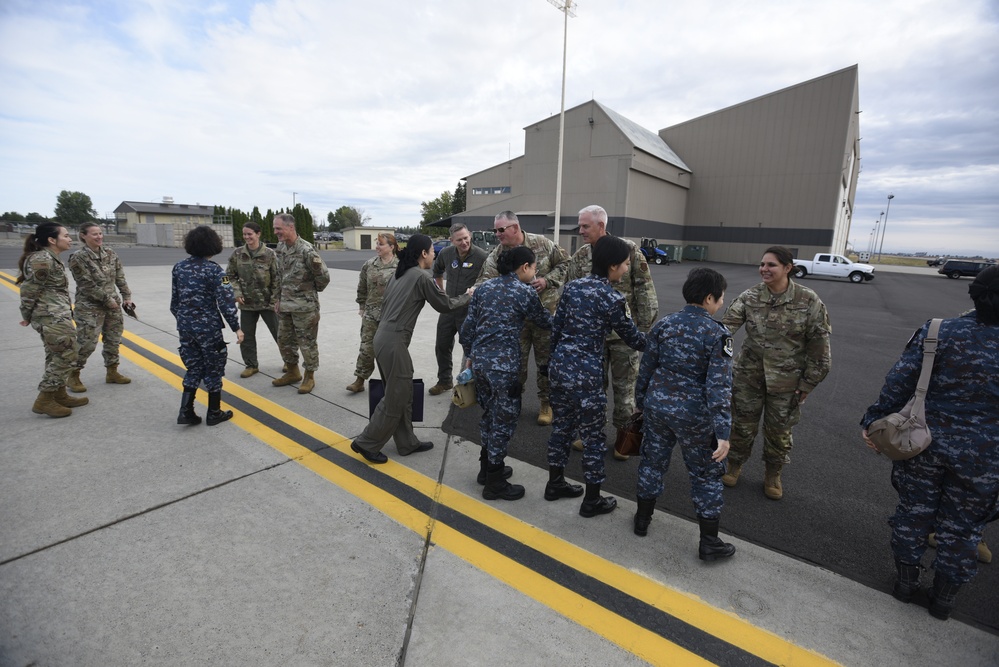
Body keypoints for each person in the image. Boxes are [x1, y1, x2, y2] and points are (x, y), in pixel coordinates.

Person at [860, 266, 999, 621]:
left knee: (914, 514)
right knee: (964, 529)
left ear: (973, 295)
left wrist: (873, 420)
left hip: (924, 444)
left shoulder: (939, 331)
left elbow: (899, 381)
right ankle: (943, 602)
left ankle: (905, 586)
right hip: (986, 457)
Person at [633, 268, 736, 561]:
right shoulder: (717, 334)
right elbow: (719, 388)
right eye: (720, 299)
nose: (721, 304)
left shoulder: (664, 324)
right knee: (706, 475)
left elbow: (646, 369)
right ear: (708, 298)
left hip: (657, 408)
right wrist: (723, 434)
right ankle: (709, 542)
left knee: (652, 463)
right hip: (695, 417)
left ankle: (642, 521)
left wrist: (641, 403)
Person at [545, 235, 645, 518]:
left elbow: (557, 328)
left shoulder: (573, 287)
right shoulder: (613, 298)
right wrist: (657, 343)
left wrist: (552, 363)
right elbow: (631, 337)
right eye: (625, 264)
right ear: (613, 266)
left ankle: (554, 484)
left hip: (560, 369)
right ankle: (592, 500)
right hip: (586, 375)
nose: (626, 269)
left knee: (561, 429)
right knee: (592, 437)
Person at [547, 205, 659, 458]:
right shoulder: (581, 255)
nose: (581, 230)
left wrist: (644, 331)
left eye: (586, 226)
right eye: (580, 225)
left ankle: (623, 439)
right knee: (592, 391)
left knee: (624, 391)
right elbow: (571, 288)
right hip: (592, 339)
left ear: (601, 225)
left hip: (623, 336)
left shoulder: (627, 250)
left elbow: (645, 292)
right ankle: (590, 435)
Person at [721, 246, 831, 500]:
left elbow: (820, 349)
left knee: (779, 432)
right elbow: (725, 330)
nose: (764, 269)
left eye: (771, 265)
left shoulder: (808, 300)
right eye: (762, 264)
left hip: (787, 383)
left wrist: (807, 384)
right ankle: (734, 465)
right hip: (748, 377)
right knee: (741, 426)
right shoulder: (750, 297)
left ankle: (773, 474)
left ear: (787, 268)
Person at [349, 234, 471, 464]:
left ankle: (406, 443)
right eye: (432, 250)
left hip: (383, 339)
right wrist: (468, 295)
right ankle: (366, 441)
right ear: (423, 254)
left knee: (400, 391)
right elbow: (444, 305)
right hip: (393, 342)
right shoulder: (420, 276)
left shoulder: (400, 273)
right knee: (397, 395)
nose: (435, 254)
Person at [459, 246, 553, 501]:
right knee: (503, 422)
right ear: (524, 267)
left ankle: (486, 468)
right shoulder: (523, 293)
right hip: (505, 369)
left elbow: (466, 330)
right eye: (534, 268)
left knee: (488, 415)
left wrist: (470, 356)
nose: (534, 273)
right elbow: (545, 321)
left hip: (480, 366)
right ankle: (495, 483)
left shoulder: (484, 289)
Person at [476, 211, 569, 425]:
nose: (497, 234)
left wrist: (547, 280)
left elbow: (565, 263)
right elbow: (485, 279)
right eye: (495, 230)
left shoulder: (543, 244)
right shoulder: (498, 253)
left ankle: (546, 403)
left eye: (501, 230)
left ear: (515, 228)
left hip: (544, 313)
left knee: (546, 361)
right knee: (516, 364)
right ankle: (513, 401)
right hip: (516, 320)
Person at [171, 226, 244, 426]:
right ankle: (214, 412)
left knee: (193, 367)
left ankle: (186, 411)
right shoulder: (218, 272)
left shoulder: (179, 267)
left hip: (185, 327)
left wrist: (186, 321)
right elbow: (227, 303)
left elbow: (174, 303)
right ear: (213, 246)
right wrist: (236, 328)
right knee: (213, 368)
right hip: (208, 328)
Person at [17, 222, 88, 417]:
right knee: (67, 354)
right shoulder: (42, 259)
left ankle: (59, 394)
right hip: (51, 316)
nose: (69, 238)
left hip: (55, 314)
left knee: (54, 354)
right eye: (65, 235)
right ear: (51, 239)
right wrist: (26, 315)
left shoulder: (50, 258)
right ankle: (45, 399)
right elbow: (29, 289)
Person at [67, 221, 133, 392]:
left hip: (113, 305)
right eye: (94, 234)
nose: (99, 237)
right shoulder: (78, 257)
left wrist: (126, 297)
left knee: (113, 339)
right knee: (86, 342)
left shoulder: (110, 253)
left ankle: (112, 372)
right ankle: (73, 375)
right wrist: (107, 300)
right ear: (83, 236)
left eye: (100, 233)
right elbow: (85, 284)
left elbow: (120, 276)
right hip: (90, 307)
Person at [271, 213, 331, 394]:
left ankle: (309, 376)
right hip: (285, 306)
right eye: (275, 229)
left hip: (305, 308)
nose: (275, 232)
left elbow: (324, 278)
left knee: (307, 343)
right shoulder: (280, 248)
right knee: (284, 341)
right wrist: (277, 299)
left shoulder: (307, 250)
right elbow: (278, 276)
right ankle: (292, 372)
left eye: (278, 228)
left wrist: (308, 294)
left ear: (290, 227)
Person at [429, 223, 488, 396]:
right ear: (451, 240)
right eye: (459, 239)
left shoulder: (482, 256)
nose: (464, 242)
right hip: (448, 309)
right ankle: (444, 381)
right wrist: (441, 293)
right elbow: (437, 272)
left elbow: (489, 280)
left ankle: (472, 387)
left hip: (470, 312)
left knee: (470, 350)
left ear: (470, 234)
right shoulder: (446, 254)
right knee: (442, 345)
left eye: (466, 237)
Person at [225, 221, 279, 379]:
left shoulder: (269, 254)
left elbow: (278, 278)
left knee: (280, 334)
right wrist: (235, 292)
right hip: (246, 303)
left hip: (267, 303)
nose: (247, 237)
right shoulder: (237, 254)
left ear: (258, 234)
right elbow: (226, 277)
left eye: (250, 234)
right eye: (244, 234)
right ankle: (251, 365)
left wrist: (275, 300)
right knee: (246, 336)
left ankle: (289, 362)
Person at [347, 233, 399, 393]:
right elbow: (362, 287)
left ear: (391, 247)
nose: (377, 247)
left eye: (381, 244)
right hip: (370, 314)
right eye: (377, 243)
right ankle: (360, 380)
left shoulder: (401, 266)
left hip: (391, 316)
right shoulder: (369, 265)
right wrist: (361, 306)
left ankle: (392, 382)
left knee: (391, 351)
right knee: (367, 348)